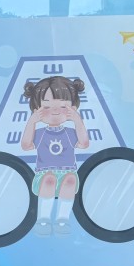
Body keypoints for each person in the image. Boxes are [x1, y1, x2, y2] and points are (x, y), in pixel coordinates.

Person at [20, 76, 90, 235]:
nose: (55, 111)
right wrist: (32, 122)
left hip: (67, 172)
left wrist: (77, 120)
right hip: (44, 174)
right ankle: (43, 219)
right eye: (46, 106)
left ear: (73, 107)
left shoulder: (70, 133)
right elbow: (26, 145)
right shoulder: (40, 134)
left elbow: (84, 143)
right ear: (36, 109)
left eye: (63, 106)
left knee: (71, 179)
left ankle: (62, 219)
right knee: (49, 179)